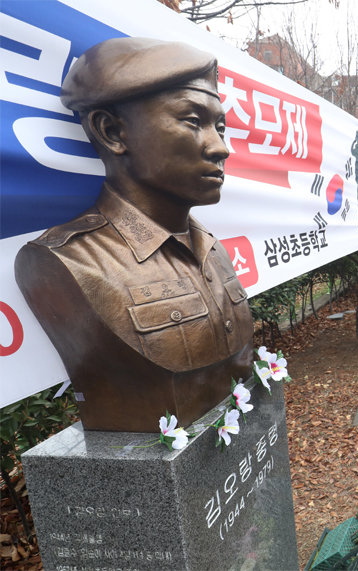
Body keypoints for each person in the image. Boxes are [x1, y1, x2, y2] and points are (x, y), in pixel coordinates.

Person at [14, 38, 253, 433]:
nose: (220, 147)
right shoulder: (70, 261)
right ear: (112, 131)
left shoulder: (213, 249)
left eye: (220, 126)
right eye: (193, 122)